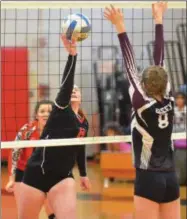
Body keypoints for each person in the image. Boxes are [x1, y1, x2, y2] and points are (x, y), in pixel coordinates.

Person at [104, 2, 180, 219]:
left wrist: (120, 26)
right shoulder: (171, 99)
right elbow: (160, 59)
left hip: (148, 178)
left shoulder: (141, 101)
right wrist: (159, 20)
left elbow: (130, 64)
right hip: (171, 178)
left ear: (144, 85)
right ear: (165, 83)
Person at [18, 35, 91, 219]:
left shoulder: (83, 122)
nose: (73, 92)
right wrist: (72, 56)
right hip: (36, 173)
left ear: (81, 97)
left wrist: (83, 174)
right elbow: (65, 87)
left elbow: (80, 147)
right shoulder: (60, 110)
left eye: (77, 90)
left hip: (62, 177)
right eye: (71, 90)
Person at [5, 100, 56, 219]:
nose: (46, 114)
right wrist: (11, 178)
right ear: (36, 115)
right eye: (42, 111)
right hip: (24, 174)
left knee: (54, 212)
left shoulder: (57, 132)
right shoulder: (28, 129)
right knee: (26, 215)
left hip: (46, 173)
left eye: (49, 111)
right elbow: (14, 152)